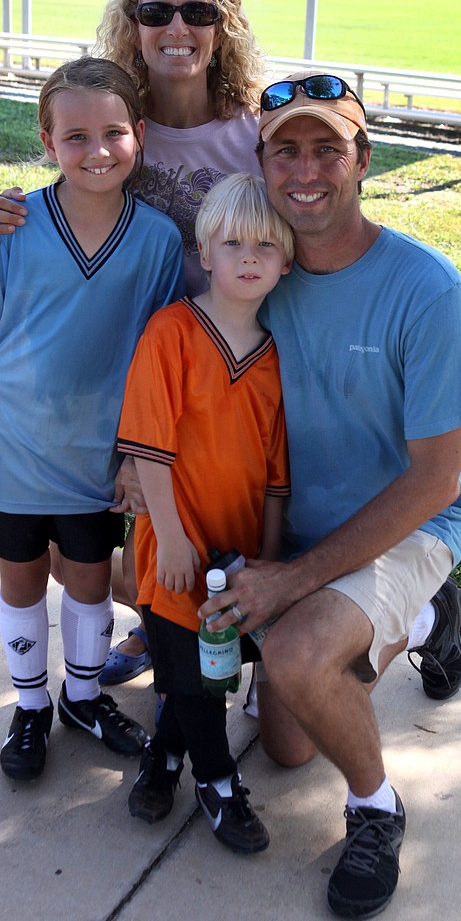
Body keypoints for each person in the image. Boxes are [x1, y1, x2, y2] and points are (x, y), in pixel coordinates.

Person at [190, 72, 461, 920]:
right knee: (289, 746)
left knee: (296, 657)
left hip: (412, 522)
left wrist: (291, 582)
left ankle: (375, 807)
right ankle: (430, 623)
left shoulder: (426, 290)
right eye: (285, 149)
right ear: (260, 162)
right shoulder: (260, 270)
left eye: (329, 148)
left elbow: (436, 479)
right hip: (306, 524)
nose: (306, 169)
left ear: (364, 159)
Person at [0, 0, 267, 686]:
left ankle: (243, 639)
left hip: (231, 356)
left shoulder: (254, 132)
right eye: (156, 9)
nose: (177, 26)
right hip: (141, 371)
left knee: (222, 517)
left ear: (221, 23)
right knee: (128, 529)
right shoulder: (116, 121)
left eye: (197, 10)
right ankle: (157, 628)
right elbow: (65, 189)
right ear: (132, 23)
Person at [0, 57, 185, 782]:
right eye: (75, 136)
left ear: (139, 134)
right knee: (20, 578)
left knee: (86, 578)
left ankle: (82, 695)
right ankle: (30, 704)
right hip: (10, 450)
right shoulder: (15, 224)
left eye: (113, 132)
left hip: (96, 455)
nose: (96, 150)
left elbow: (156, 354)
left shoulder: (160, 240)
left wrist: (138, 454)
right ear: (47, 140)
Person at [115, 172, 293, 853]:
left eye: (266, 246)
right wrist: (175, 536)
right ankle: (218, 783)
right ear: (204, 250)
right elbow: (150, 451)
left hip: (239, 551)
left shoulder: (277, 359)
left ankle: (162, 758)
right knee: (189, 673)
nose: (249, 257)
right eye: (233, 242)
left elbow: (276, 480)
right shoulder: (172, 333)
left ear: (285, 259)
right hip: (174, 544)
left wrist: (270, 563)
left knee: (214, 665)